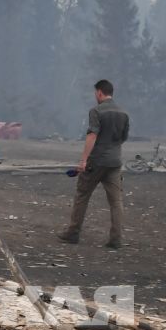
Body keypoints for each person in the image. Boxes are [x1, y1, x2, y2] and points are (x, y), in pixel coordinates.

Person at [58, 79, 129, 248]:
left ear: (99, 92)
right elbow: (124, 137)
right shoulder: (123, 113)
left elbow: (92, 136)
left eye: (95, 93)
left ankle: (73, 233)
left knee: (82, 195)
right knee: (116, 201)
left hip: (96, 162)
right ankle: (116, 239)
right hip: (115, 162)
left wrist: (83, 160)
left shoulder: (96, 111)